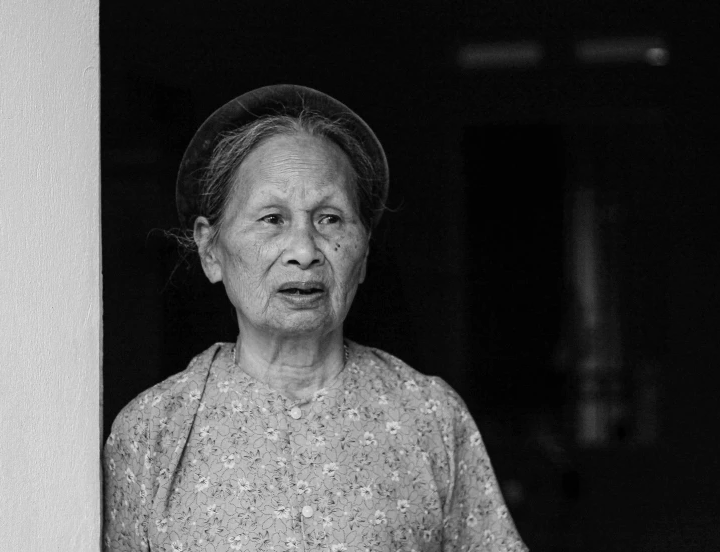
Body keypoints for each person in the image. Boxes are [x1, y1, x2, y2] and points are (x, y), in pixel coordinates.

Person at [104, 85, 528, 552]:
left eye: (330, 219)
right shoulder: (152, 430)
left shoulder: (428, 415)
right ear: (210, 250)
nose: (304, 251)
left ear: (364, 252)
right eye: (272, 219)